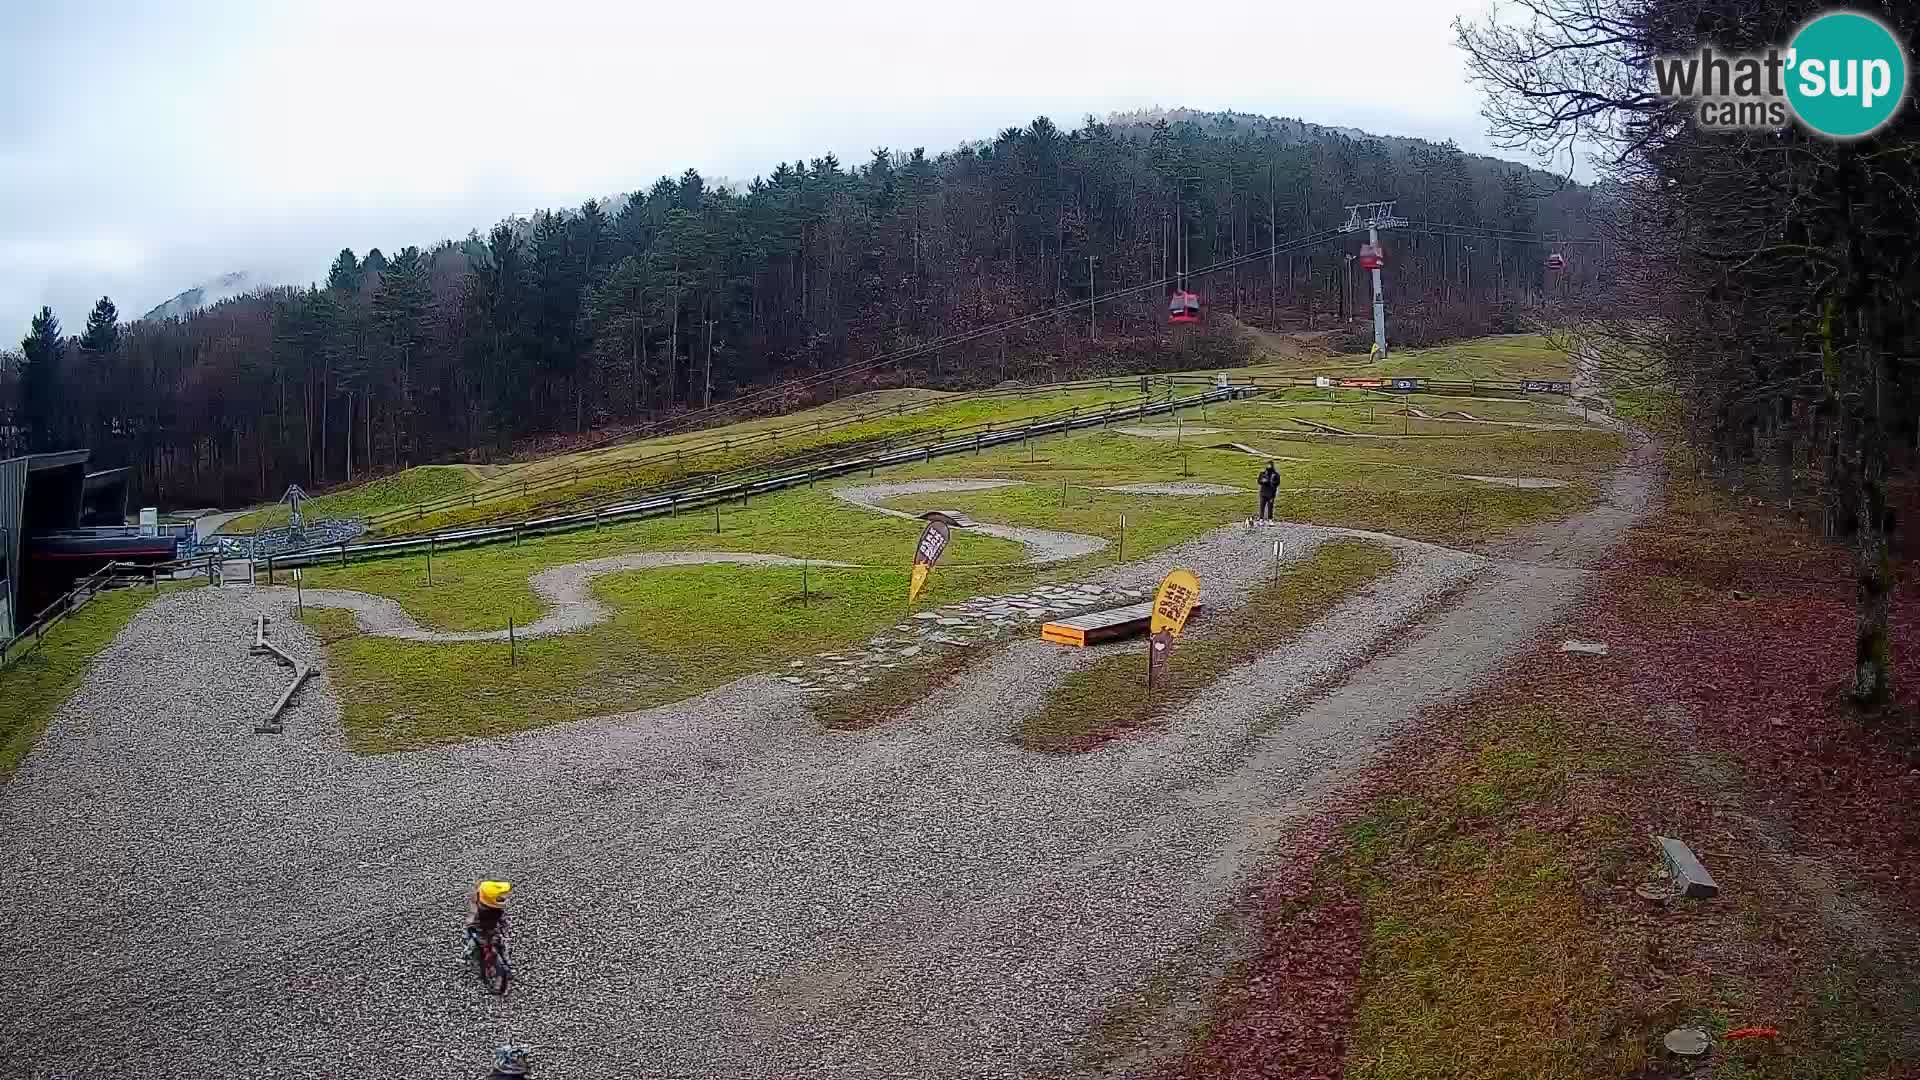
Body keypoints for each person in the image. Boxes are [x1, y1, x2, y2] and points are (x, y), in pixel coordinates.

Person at [464, 880, 512, 962]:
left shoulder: (483, 905)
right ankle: (469, 957)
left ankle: (469, 956)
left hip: (487, 932)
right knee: (474, 947)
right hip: (483, 934)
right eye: (500, 898)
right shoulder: (485, 913)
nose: (504, 899)